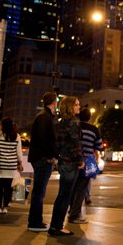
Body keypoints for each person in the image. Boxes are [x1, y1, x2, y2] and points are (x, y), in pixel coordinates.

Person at [48, 96, 84, 236]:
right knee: (66, 196)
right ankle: (57, 227)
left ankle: (54, 225)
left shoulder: (60, 122)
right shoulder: (74, 122)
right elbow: (75, 143)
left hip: (62, 161)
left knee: (61, 195)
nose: (79, 107)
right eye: (76, 104)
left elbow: (57, 143)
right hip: (70, 162)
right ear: (70, 107)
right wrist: (80, 160)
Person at [27, 92, 61, 232]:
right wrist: (50, 156)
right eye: (57, 101)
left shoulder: (45, 116)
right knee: (39, 192)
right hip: (42, 159)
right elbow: (43, 140)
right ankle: (35, 222)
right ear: (54, 102)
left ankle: (35, 221)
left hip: (41, 158)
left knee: (39, 192)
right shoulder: (44, 117)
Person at [68, 108, 104, 224]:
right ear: (89, 118)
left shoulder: (75, 126)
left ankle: (71, 210)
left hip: (74, 159)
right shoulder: (94, 129)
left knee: (73, 186)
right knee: (82, 188)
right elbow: (99, 146)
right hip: (88, 161)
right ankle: (75, 215)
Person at [0, 117, 23, 213]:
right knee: (8, 188)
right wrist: (20, 163)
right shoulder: (16, 136)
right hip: (11, 166)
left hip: (0, 165)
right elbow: (18, 152)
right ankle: (5, 207)